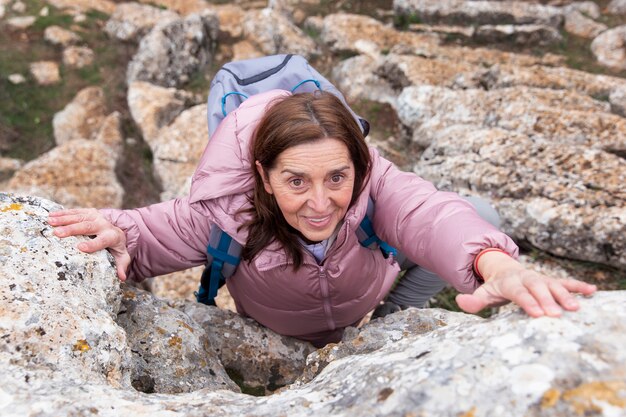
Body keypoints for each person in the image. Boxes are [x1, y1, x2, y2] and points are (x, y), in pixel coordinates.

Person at [48, 90, 596, 347]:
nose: (319, 202)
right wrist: (120, 230)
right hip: (285, 332)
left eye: (337, 177)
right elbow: (149, 231)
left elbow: (430, 215)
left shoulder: (376, 186)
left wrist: (497, 265)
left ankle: (388, 323)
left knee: (478, 214)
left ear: (359, 165)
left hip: (367, 295)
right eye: (296, 181)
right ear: (263, 176)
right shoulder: (226, 210)